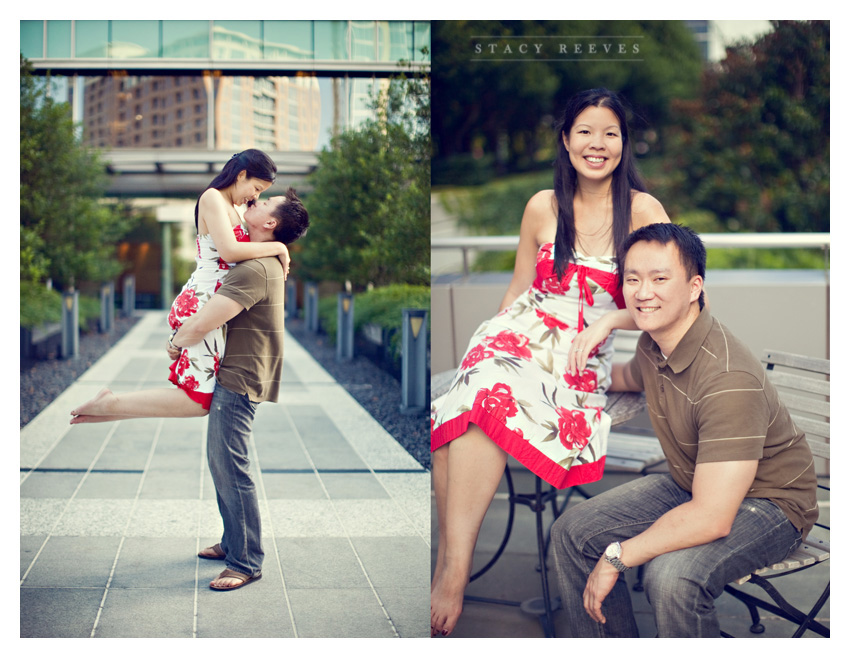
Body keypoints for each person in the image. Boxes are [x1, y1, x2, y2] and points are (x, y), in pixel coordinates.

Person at [429, 88, 670, 637]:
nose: (597, 144)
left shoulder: (643, 211)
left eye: (610, 132)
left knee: (471, 405)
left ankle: (451, 563)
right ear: (565, 140)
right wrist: (487, 344)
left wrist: (611, 322)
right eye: (585, 131)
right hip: (521, 332)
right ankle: (455, 562)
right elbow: (519, 287)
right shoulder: (543, 205)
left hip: (581, 351)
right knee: (464, 395)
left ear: (624, 144)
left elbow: (672, 299)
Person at [550, 222, 818, 637]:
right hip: (697, 480)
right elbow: (625, 376)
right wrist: (573, 362)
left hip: (771, 503)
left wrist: (617, 557)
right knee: (572, 531)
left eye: (660, 278)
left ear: (694, 288)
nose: (642, 292)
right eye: (632, 279)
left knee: (671, 576)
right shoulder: (655, 342)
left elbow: (712, 517)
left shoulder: (728, 379)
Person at [70, 150, 305, 423]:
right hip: (202, 300)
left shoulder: (234, 208)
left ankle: (110, 409)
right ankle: (110, 405)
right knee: (197, 400)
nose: (254, 197)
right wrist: (278, 246)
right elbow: (229, 252)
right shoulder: (212, 198)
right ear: (241, 175)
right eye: (256, 188)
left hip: (212, 301)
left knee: (197, 397)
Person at [171, 192, 309, 590]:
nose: (257, 200)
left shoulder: (255, 268)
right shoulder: (257, 259)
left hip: (241, 376)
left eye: (268, 201)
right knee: (221, 461)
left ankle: (246, 561)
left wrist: (176, 342)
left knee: (232, 467)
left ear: (270, 223)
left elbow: (203, 322)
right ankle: (233, 541)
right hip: (242, 370)